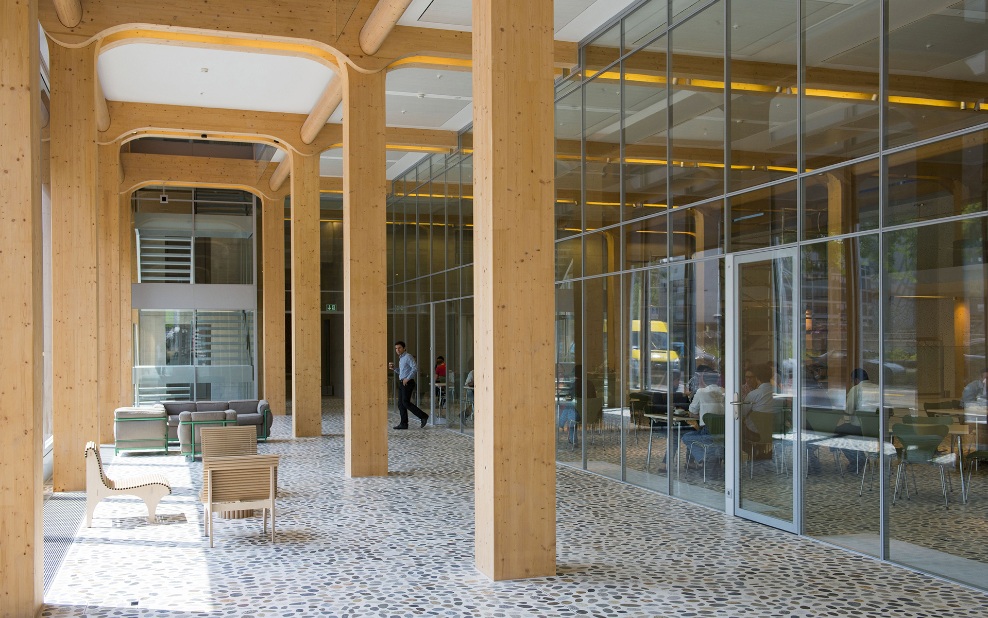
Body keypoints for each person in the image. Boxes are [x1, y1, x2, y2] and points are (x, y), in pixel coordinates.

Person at [681, 371, 726, 464]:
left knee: (687, 437)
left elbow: (692, 411)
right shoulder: (724, 391)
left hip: (708, 432)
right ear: (717, 380)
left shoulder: (701, 391)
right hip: (724, 431)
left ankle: (704, 458)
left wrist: (702, 415)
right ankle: (710, 457)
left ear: (703, 380)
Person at [388, 340, 428, 429]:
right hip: (402, 382)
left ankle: (423, 416)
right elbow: (402, 373)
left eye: (399, 348)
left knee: (405, 402)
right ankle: (404, 424)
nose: (397, 350)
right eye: (396, 348)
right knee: (400, 404)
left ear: (404, 348)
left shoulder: (408, 356)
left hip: (408, 382)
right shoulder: (401, 359)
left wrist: (408, 378)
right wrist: (394, 368)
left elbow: (415, 368)